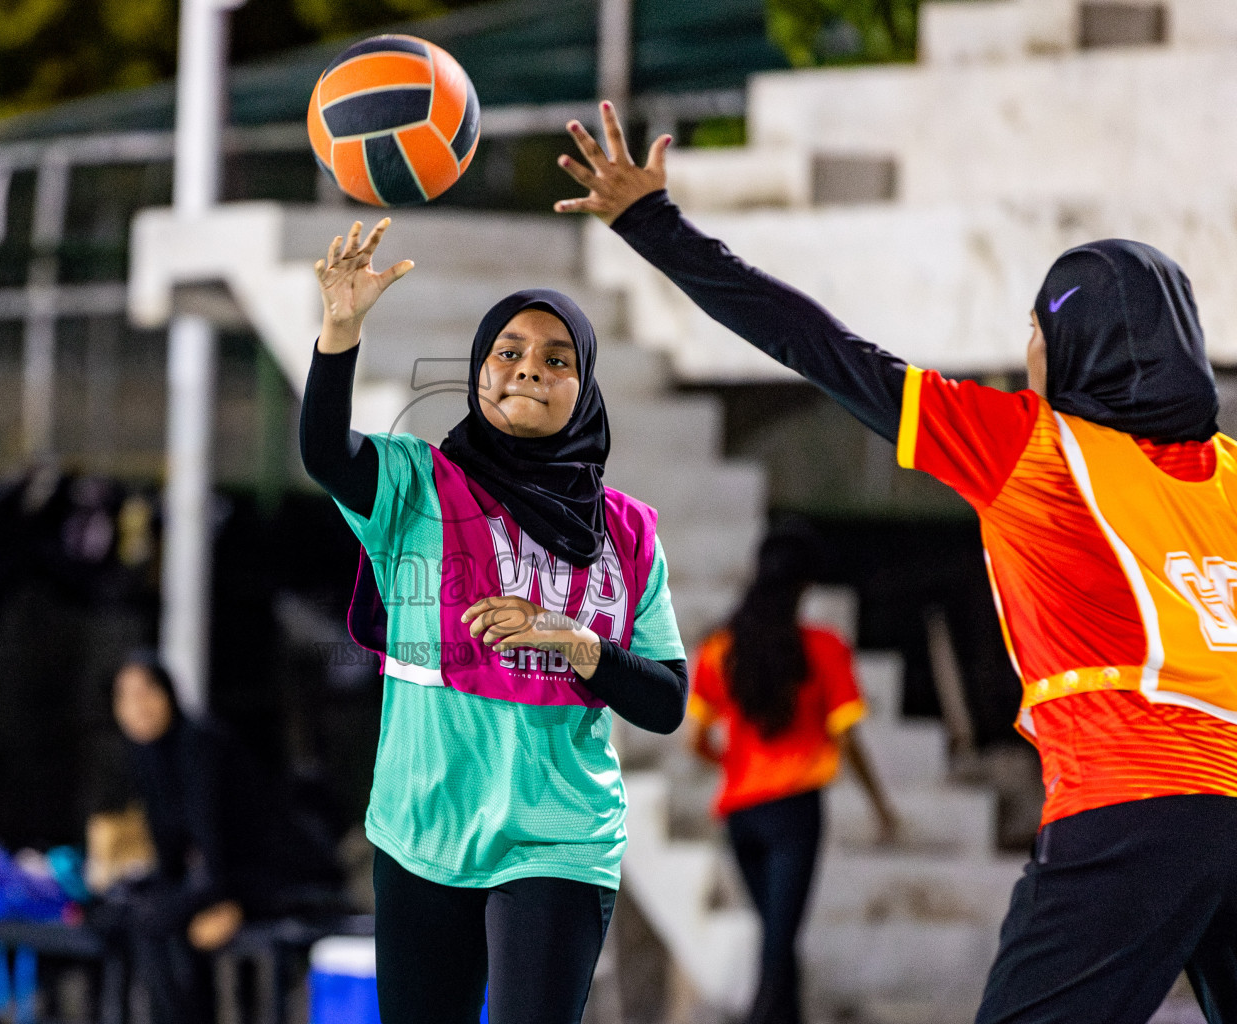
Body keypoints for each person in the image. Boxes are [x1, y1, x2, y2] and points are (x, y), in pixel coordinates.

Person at [556, 101, 1237, 1024]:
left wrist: (653, 226)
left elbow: (824, 348)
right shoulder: (1226, 473)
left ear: (1072, 345)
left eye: (1036, 328)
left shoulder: (1030, 445)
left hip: (1132, 799)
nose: (1024, 347)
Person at [299, 218, 689, 1024]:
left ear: (585, 388)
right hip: (423, 829)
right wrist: (340, 331)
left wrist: (581, 645)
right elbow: (325, 455)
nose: (528, 370)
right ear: (478, 372)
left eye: (557, 359)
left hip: (560, 835)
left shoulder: (630, 533)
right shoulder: (415, 484)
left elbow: (666, 700)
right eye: (507, 352)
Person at [686, 525, 898, 1024]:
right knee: (779, 943)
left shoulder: (720, 650)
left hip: (739, 813)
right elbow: (846, 739)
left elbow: (694, 741)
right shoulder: (824, 648)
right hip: (794, 811)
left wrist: (732, 767)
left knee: (778, 939)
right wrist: (880, 807)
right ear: (805, 587)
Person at [111, 653, 272, 1024]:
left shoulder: (199, 745)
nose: (137, 706)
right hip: (219, 879)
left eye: (146, 691)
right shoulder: (147, 757)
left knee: (161, 919)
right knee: (133, 913)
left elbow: (220, 850)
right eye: (125, 696)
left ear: (168, 692)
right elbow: (168, 858)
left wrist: (210, 899)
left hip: (262, 875)